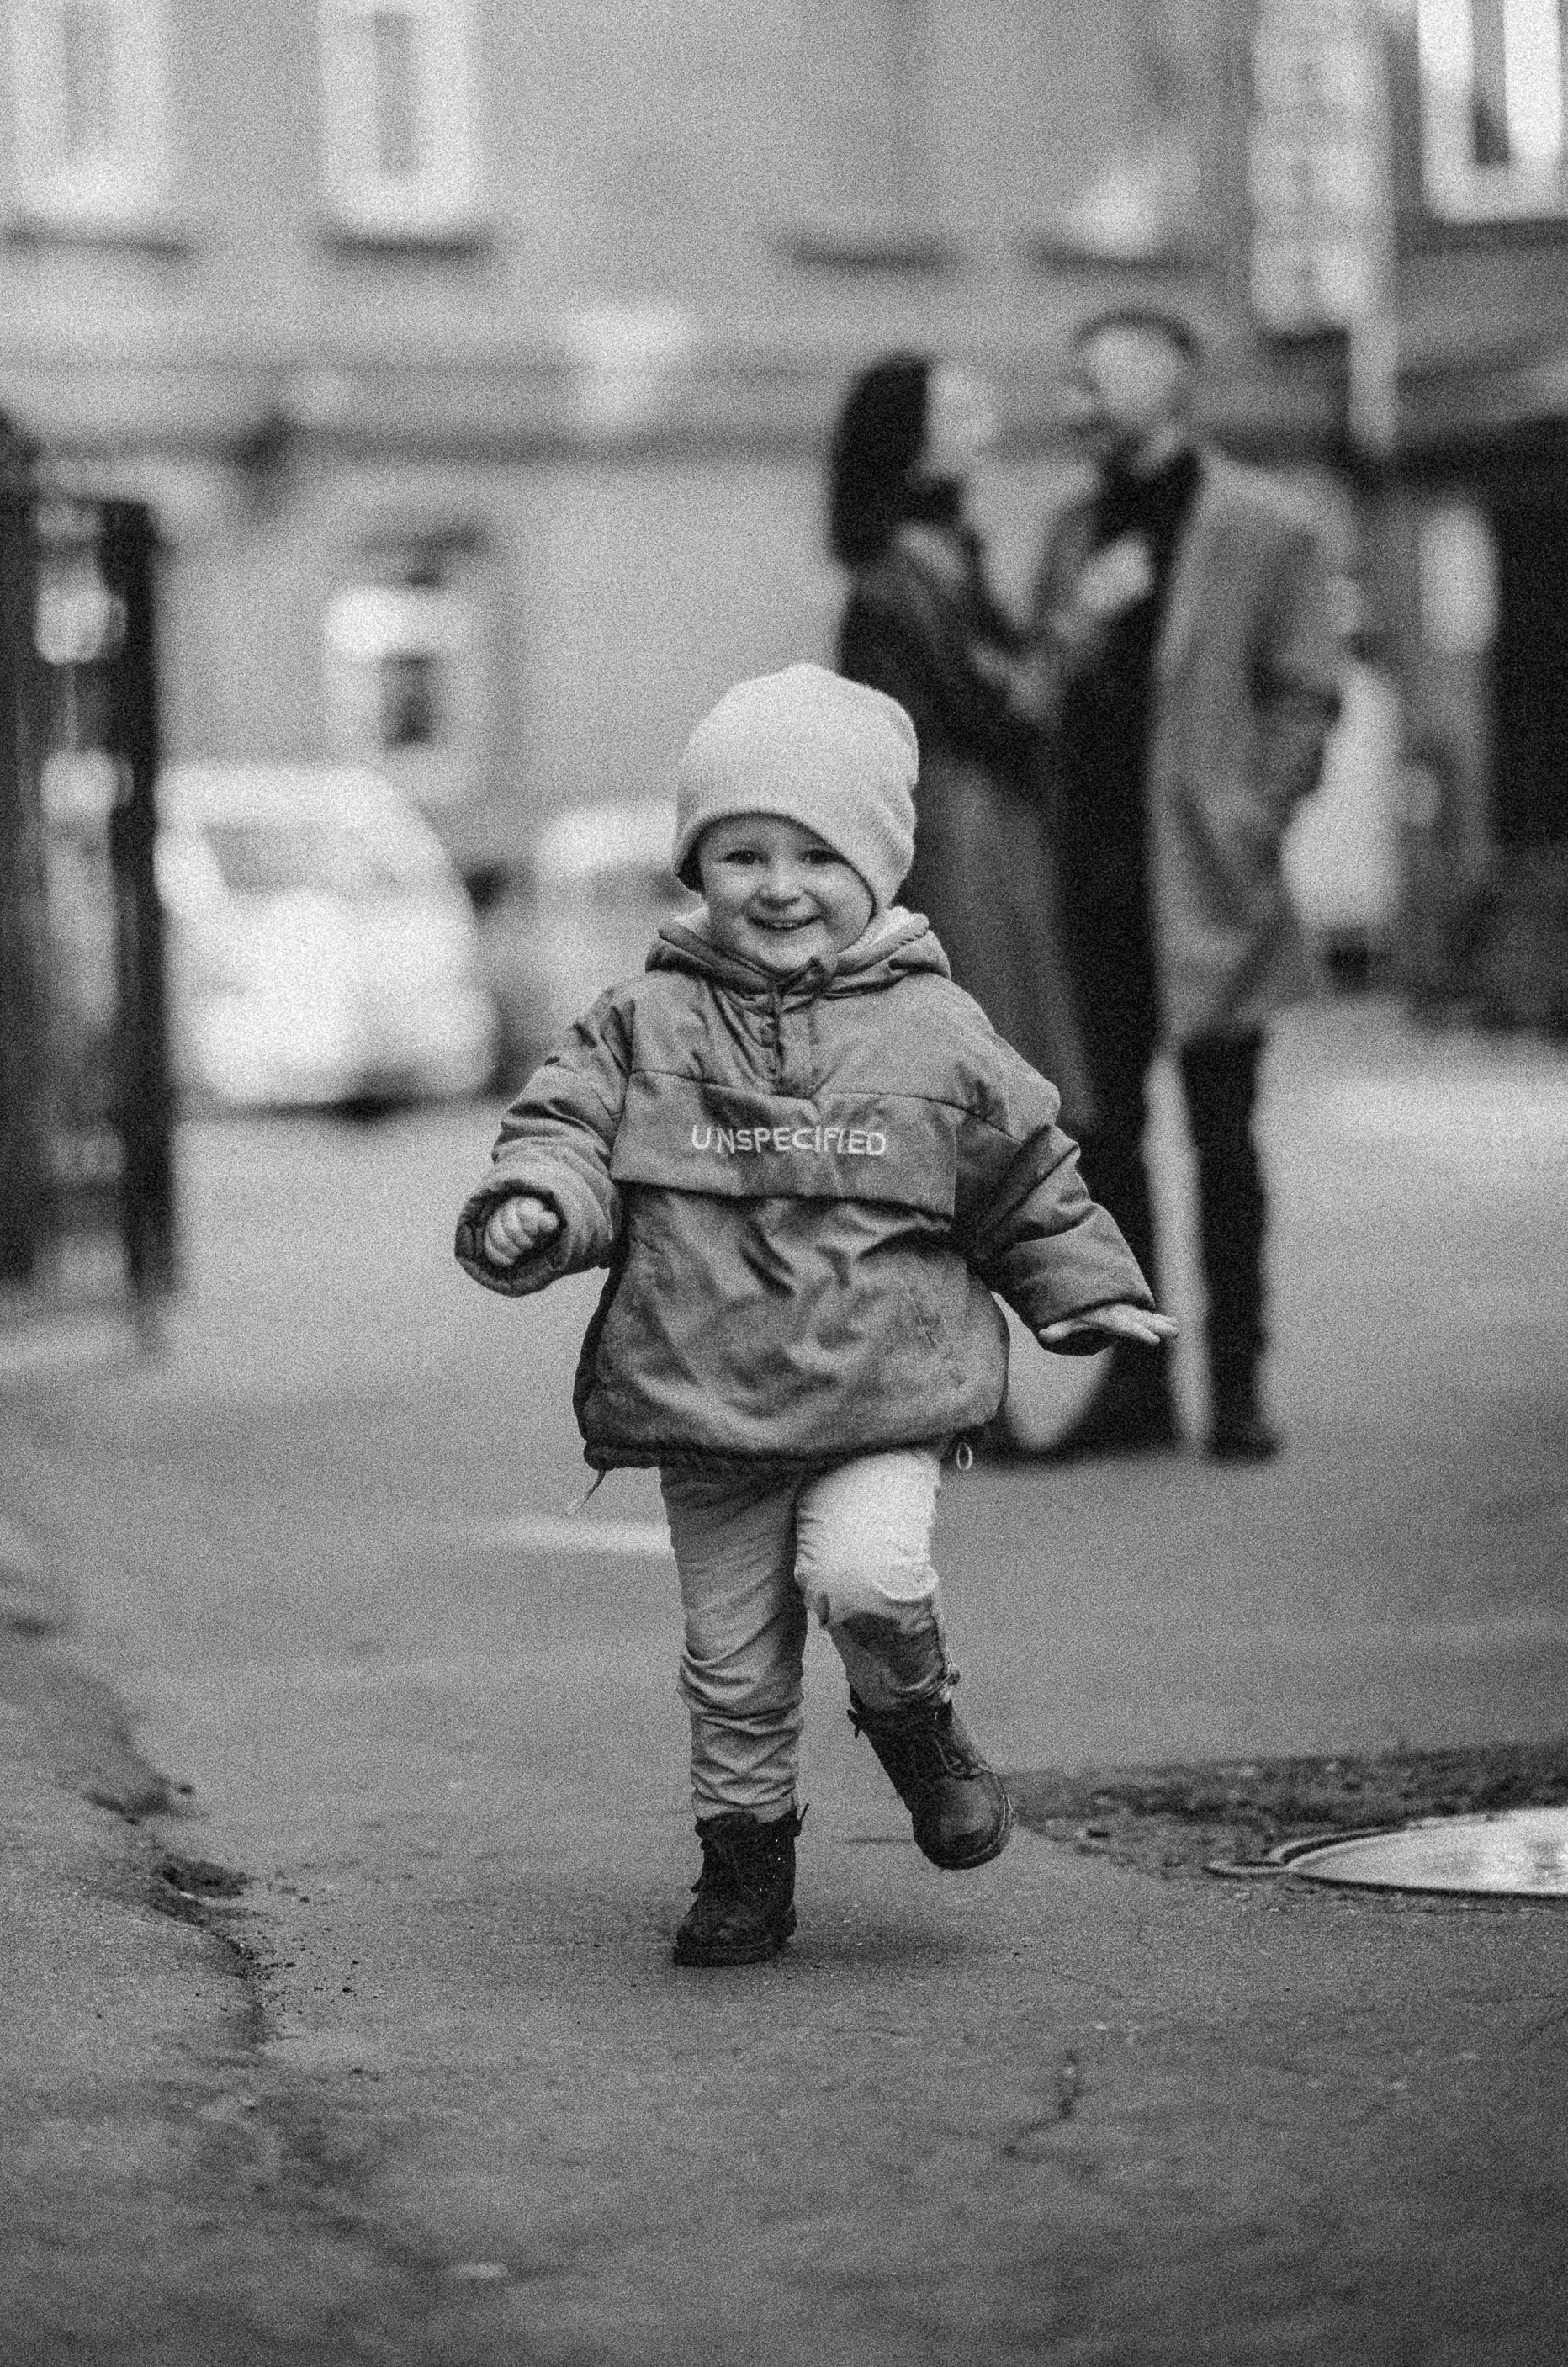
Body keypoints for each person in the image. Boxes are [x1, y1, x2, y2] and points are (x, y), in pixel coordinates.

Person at [453, 666, 1169, 1968]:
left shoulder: (937, 1033)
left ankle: (918, 1729)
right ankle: (745, 1868)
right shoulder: (641, 1025)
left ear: (880, 868)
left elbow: (1025, 1176)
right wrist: (538, 1206)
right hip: (702, 1400)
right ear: (697, 866)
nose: (778, 884)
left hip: (881, 1391)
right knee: (732, 1667)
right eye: (741, 852)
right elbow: (563, 1131)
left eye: (816, 854)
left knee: (868, 1577)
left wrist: (1090, 1291)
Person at [1033, 308, 1340, 1466]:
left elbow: (1306, 690)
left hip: (1212, 891)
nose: (1074, 407)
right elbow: (1039, 686)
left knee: (1224, 1146)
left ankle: (1239, 1385)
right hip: (1095, 891)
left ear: (1165, 393)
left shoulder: (1265, 527)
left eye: (1093, 384)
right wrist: (1080, 622)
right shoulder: (1071, 534)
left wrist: (1254, 818)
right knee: (1106, 1150)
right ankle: (1137, 1386)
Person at [830, 353, 1093, 1122]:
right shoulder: (902, 578)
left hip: (974, 834)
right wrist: (1080, 625)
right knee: (992, 1066)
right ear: (912, 442)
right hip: (964, 844)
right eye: (962, 413)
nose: (988, 430)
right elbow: (997, 708)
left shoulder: (927, 563)